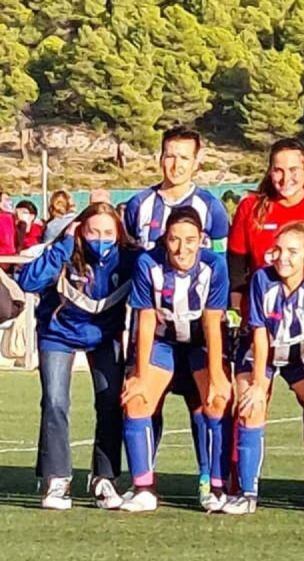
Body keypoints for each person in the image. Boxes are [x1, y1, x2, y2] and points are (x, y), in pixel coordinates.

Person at [228, 138, 304, 503]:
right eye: (278, 170)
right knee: (248, 403)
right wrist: (244, 317)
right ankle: (239, 485)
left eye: (293, 169)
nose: (285, 177)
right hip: (261, 328)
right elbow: (236, 267)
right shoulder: (251, 207)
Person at [16, 202, 137, 510]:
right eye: (93, 232)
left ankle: (104, 478)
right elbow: (27, 281)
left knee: (110, 401)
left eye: (108, 233)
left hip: (104, 336)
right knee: (55, 402)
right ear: (80, 229)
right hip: (57, 335)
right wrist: (63, 246)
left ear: (118, 233)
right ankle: (56, 478)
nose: (101, 239)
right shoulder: (64, 251)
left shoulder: (129, 258)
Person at [119, 208, 232, 513]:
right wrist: (139, 374)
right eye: (174, 240)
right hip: (162, 340)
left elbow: (212, 323)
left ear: (201, 239)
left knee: (217, 399)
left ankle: (215, 486)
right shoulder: (148, 263)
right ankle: (143, 488)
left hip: (200, 342)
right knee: (136, 399)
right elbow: (144, 320)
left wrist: (217, 376)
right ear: (165, 239)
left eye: (190, 240)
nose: (182, 248)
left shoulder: (215, 265)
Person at [124, 127, 231, 254]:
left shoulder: (212, 207)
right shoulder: (138, 204)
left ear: (195, 163)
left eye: (184, 158)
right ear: (161, 160)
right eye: (170, 157)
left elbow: (220, 256)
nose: (176, 165)